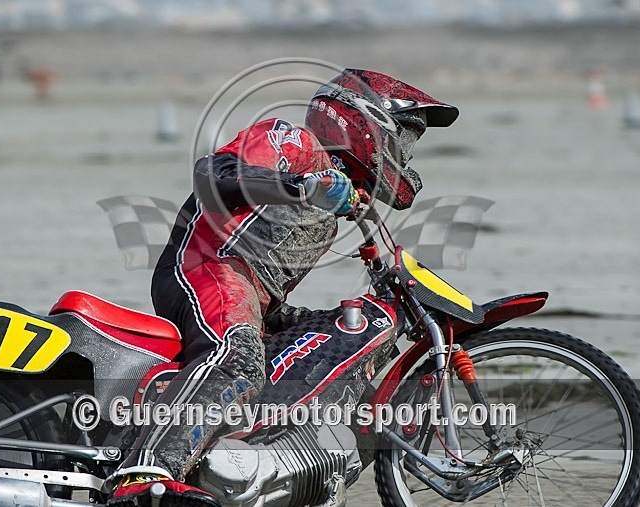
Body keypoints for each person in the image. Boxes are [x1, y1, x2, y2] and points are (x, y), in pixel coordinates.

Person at [107, 68, 459, 507]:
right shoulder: (293, 141)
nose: (403, 155)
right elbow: (213, 174)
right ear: (365, 124)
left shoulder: (330, 219)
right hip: (206, 268)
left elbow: (270, 297)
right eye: (402, 140)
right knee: (239, 362)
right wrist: (298, 186)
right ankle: (143, 473)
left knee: (333, 336)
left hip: (249, 296)